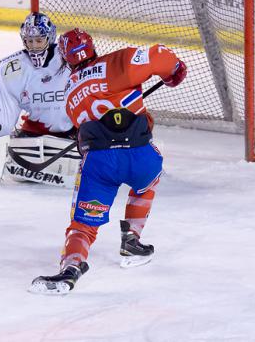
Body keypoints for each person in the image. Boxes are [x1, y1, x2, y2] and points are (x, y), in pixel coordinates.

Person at [30, 28, 187, 294]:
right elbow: (160, 55)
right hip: (140, 156)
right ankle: (132, 239)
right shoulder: (117, 62)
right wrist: (174, 71)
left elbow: (80, 131)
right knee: (149, 179)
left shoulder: (69, 93)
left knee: (83, 224)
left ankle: (71, 268)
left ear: (66, 60)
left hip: (100, 163)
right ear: (92, 48)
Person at [0, 12, 79, 188]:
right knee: (17, 162)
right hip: (35, 133)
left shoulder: (70, 60)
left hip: (72, 134)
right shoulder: (11, 68)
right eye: (29, 41)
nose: (34, 46)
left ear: (49, 38)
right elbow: (4, 109)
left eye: (38, 40)